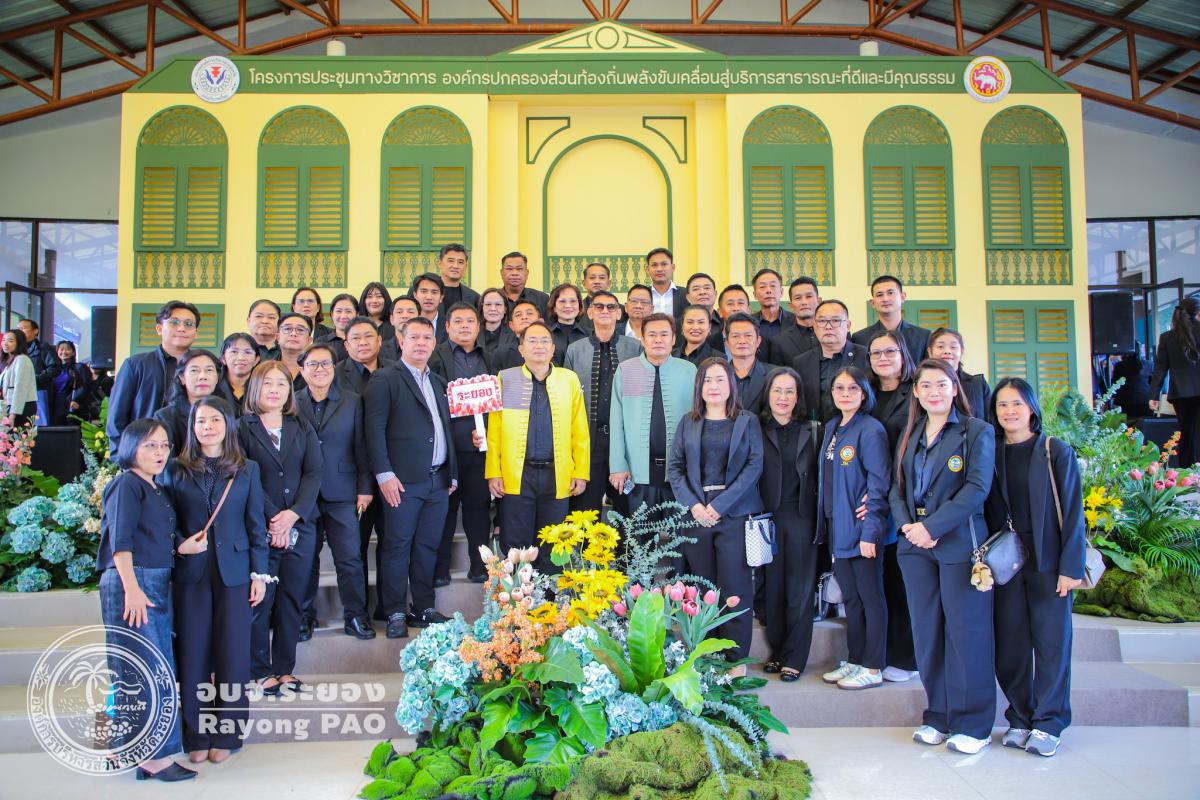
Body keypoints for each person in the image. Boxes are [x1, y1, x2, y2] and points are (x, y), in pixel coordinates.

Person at [890, 358, 997, 755]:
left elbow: (976, 489)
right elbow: (896, 488)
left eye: (941, 384)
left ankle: (974, 724)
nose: (933, 392)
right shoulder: (911, 432)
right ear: (916, 392)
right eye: (926, 386)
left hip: (958, 544)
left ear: (955, 388)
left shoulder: (976, 431)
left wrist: (932, 527)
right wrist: (908, 526)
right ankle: (938, 715)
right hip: (915, 547)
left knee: (966, 634)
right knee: (928, 633)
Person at [163, 397, 268, 764]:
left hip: (235, 571)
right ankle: (195, 734)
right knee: (193, 655)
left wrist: (259, 574)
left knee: (233, 654)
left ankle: (228, 733)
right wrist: (179, 544)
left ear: (228, 425)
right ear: (192, 427)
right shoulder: (174, 469)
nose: (207, 427)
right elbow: (165, 521)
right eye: (200, 421)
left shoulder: (247, 469)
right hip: (190, 572)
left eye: (214, 420)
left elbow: (256, 524)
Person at [986, 377, 1087, 757]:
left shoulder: (1054, 450)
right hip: (1006, 561)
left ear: (1031, 408)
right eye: (1002, 405)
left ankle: (1049, 722)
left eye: (1017, 403)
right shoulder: (991, 452)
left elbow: (1073, 512)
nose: (1009, 411)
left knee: (1051, 645)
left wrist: (1070, 567)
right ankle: (1020, 717)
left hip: (1049, 560)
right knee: (1010, 646)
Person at [96, 419, 193, 781]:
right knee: (142, 671)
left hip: (153, 580)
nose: (159, 452)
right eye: (150, 445)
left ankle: (133, 751)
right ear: (131, 447)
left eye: (164, 445)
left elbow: (155, 537)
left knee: (151, 668)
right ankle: (152, 758)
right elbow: (120, 541)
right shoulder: (127, 484)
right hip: (132, 582)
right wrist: (132, 589)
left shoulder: (154, 487)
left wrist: (184, 547)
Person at [364, 317, 458, 639]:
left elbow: (445, 429)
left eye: (427, 338)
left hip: (438, 481)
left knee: (428, 546)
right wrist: (384, 474)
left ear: (434, 343)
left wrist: (452, 473)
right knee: (397, 546)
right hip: (402, 482)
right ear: (401, 341)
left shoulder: (439, 382)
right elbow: (373, 430)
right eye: (414, 337)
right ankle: (394, 610)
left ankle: (423, 607)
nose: (421, 343)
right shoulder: (385, 378)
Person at [668, 357, 763, 669]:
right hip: (696, 516)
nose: (714, 386)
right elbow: (675, 468)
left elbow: (753, 467)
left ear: (731, 385)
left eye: (720, 379)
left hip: (734, 514)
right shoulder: (688, 422)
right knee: (702, 588)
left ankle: (735, 660)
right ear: (699, 386)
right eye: (707, 380)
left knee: (735, 588)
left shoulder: (747, 421)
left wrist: (720, 505)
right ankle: (707, 657)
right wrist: (694, 506)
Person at [238, 361, 323, 696]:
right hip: (259, 528)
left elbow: (314, 473)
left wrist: (294, 514)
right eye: (268, 383)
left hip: (301, 526)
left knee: (292, 599)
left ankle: (285, 668)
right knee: (261, 601)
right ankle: (260, 670)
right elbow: (243, 476)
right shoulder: (241, 428)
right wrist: (275, 518)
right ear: (255, 388)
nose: (275, 390)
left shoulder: (301, 425)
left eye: (281, 384)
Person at [487, 321, 589, 562]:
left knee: (554, 544)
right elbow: (495, 430)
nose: (539, 346)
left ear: (553, 349)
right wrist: (494, 472)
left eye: (545, 341)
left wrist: (580, 471)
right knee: (516, 544)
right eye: (532, 340)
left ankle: (550, 586)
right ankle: (518, 587)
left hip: (557, 473)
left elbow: (580, 430)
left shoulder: (569, 380)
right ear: (521, 349)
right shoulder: (505, 378)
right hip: (517, 474)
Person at [816, 367, 892, 691]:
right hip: (838, 529)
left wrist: (870, 530)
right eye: (839, 388)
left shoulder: (870, 430)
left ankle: (873, 666)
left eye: (852, 388)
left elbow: (879, 483)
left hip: (862, 530)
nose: (845, 394)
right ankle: (856, 659)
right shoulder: (833, 427)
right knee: (851, 599)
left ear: (864, 393)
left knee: (871, 599)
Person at [296, 343, 375, 641]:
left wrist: (365, 488)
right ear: (302, 370)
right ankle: (304, 616)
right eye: (313, 364)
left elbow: (362, 447)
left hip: (343, 491)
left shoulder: (352, 401)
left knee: (349, 558)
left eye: (326, 364)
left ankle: (355, 616)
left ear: (334, 368)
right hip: (303, 495)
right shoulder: (292, 402)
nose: (320, 370)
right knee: (305, 559)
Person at [757, 367, 819, 682]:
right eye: (777, 390)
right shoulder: (755, 427)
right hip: (764, 517)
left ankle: (795, 656)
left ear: (798, 397)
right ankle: (778, 651)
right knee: (772, 588)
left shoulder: (813, 430)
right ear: (767, 394)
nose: (783, 397)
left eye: (790, 391)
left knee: (799, 589)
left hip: (801, 517)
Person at [866, 331, 919, 683]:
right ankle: (879, 653)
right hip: (873, 496)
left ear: (903, 355)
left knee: (902, 581)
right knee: (880, 580)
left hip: (905, 493)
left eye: (890, 351)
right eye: (876, 353)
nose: (883, 358)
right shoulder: (866, 393)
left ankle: (907, 657)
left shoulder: (915, 393)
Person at [428, 303, 493, 584]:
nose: (464, 325)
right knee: (444, 511)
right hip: (447, 449)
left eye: (470, 321)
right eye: (458, 321)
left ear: (478, 327)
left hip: (480, 450)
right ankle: (439, 569)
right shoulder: (435, 357)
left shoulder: (490, 357)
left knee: (478, 510)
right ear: (447, 326)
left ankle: (479, 566)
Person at [609, 313, 696, 514]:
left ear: (673, 339)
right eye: (652, 334)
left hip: (680, 471)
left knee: (678, 531)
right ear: (642, 338)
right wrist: (618, 465)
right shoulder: (626, 370)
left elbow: (698, 420)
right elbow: (616, 421)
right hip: (636, 472)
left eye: (664, 334)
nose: (658, 339)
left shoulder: (689, 371)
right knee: (640, 531)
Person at [564, 290, 641, 515]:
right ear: (589, 312)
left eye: (611, 307)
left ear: (619, 313)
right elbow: (568, 397)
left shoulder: (634, 348)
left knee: (627, 509)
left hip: (625, 441)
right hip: (589, 440)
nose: (605, 311)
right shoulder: (575, 350)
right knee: (586, 509)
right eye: (599, 306)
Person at [107, 301, 199, 454]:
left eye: (189, 324)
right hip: (145, 455)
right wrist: (122, 457)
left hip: (189, 456)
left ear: (196, 333)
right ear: (159, 329)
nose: (182, 328)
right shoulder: (135, 365)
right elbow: (116, 419)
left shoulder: (203, 368)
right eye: (174, 322)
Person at [792, 300, 869, 424]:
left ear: (848, 326)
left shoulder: (864, 356)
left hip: (857, 429)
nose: (828, 326)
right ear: (814, 326)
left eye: (835, 320)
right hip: (815, 431)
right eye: (822, 321)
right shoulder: (801, 362)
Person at [1150, 297, 1200, 467]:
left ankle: (1186, 470)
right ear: (1197, 312)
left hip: (1180, 393)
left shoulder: (1167, 337)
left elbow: (1160, 368)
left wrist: (1154, 395)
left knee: (1186, 432)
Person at [152, 349, 228, 457]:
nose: (202, 376)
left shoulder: (227, 411)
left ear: (217, 378)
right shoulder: (164, 417)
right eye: (194, 370)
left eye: (209, 370)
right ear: (182, 378)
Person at [851, 275, 932, 366]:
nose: (885, 299)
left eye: (890, 293)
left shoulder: (923, 336)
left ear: (902, 297)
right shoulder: (859, 338)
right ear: (872, 303)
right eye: (879, 295)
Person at [928, 327, 990, 421]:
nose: (947, 351)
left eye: (953, 347)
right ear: (930, 352)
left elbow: (991, 421)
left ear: (962, 352)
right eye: (940, 346)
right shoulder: (923, 386)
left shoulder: (978, 384)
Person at [724, 313, 774, 414]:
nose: (742, 341)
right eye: (735, 336)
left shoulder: (774, 375)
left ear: (758, 341)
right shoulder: (718, 376)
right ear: (727, 343)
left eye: (748, 335)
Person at [16, 318, 61, 425]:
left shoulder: (43, 348)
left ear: (35, 331)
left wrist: (34, 378)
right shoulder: (17, 350)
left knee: (38, 425)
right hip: (20, 394)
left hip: (39, 392)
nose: (20, 331)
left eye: (23, 328)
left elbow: (54, 368)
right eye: (18, 329)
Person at [768, 277, 821, 366]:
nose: (804, 302)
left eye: (809, 296)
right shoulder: (779, 341)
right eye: (798, 298)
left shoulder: (832, 332)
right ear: (791, 306)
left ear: (819, 301)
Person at [335, 316, 389, 395]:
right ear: (346, 345)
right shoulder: (335, 374)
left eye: (368, 336)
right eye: (356, 338)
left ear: (379, 340)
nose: (363, 342)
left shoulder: (396, 369)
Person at [0, 329, 39, 427]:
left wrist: (12, 415)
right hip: (11, 406)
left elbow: (20, 389)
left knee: (19, 435)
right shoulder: (9, 361)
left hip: (22, 407)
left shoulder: (22, 360)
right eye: (4, 340)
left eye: (10, 341)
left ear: (19, 343)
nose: (5, 343)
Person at [547, 283, 591, 366]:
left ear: (579, 306)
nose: (567, 306)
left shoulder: (590, 335)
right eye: (562, 301)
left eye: (573, 301)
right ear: (554, 307)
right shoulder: (545, 334)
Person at [50, 341, 93, 425]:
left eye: (67, 349)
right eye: (61, 349)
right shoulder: (53, 370)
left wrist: (75, 399)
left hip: (72, 405)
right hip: (55, 406)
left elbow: (86, 386)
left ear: (73, 352)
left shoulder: (80, 367)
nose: (64, 352)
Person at [492, 299, 541, 372]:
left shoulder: (552, 350)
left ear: (540, 322)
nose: (524, 317)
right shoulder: (501, 354)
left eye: (529, 313)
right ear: (511, 325)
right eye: (518, 315)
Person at [217, 333, 260, 411]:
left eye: (248, 352)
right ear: (223, 359)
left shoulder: (262, 387)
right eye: (234, 352)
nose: (241, 358)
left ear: (256, 360)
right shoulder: (214, 385)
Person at [499, 251, 549, 316]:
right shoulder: (491, 299)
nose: (514, 273)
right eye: (509, 269)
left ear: (527, 273)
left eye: (519, 269)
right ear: (501, 273)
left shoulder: (542, 299)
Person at [751, 268, 795, 341]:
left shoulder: (795, 321)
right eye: (762, 287)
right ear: (755, 295)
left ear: (781, 292)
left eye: (773, 286)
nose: (768, 290)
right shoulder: (749, 322)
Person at [707, 284, 752, 351]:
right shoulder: (708, 344)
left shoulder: (761, 340)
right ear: (720, 312)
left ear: (749, 310)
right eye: (730, 304)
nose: (736, 308)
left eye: (740, 303)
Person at [646, 247, 687, 318]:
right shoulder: (643, 295)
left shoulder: (686, 294)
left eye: (664, 264)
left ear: (673, 267)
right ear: (648, 269)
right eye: (654, 265)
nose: (659, 269)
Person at [437, 243, 480, 311]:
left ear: (466, 266)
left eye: (460, 262)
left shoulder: (475, 298)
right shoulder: (424, 293)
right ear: (440, 263)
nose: (455, 266)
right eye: (451, 261)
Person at [276, 312, 314, 388]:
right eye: (287, 329)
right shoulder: (265, 368)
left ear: (309, 340)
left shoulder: (317, 370)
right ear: (278, 337)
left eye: (300, 330)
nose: (293, 333)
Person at [477, 288, 517, 360]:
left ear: (505, 309)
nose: (493, 309)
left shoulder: (513, 335)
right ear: (482, 308)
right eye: (488, 304)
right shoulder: (473, 332)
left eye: (498, 304)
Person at [380, 296, 420, 363]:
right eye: (399, 312)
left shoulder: (430, 349)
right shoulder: (379, 350)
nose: (405, 316)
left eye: (410, 312)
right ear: (391, 319)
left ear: (419, 319)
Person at [321, 293, 360, 363]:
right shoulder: (321, 343)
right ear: (332, 314)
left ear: (357, 315)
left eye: (348, 311)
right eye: (339, 311)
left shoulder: (363, 341)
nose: (343, 316)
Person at [411, 272, 448, 342]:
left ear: (441, 298)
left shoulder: (449, 325)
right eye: (423, 291)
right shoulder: (407, 323)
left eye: (434, 292)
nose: (429, 297)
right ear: (415, 295)